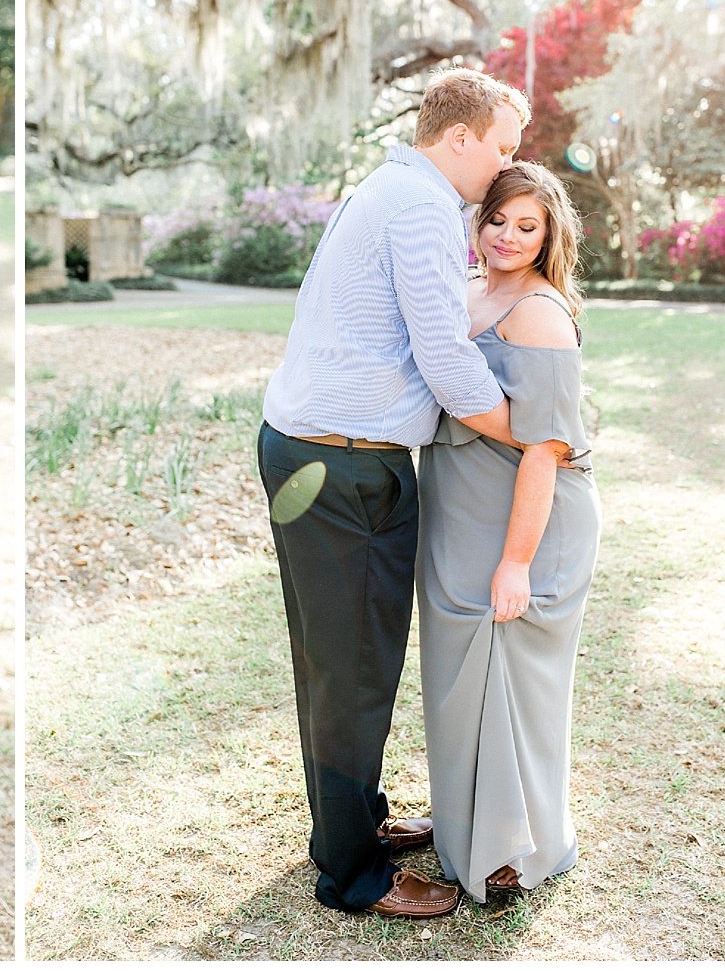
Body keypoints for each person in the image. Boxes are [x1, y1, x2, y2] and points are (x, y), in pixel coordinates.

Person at [256, 68, 532, 919]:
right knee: (355, 672)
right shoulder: (415, 205)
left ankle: (355, 824)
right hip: (342, 466)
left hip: (320, 453)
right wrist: (537, 437)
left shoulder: (395, 189)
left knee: (341, 663)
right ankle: (352, 876)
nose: (503, 167)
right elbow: (447, 359)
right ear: (460, 137)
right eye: (501, 148)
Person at [417, 161, 599, 903]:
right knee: (459, 681)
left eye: (528, 226)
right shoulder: (465, 293)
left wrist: (516, 562)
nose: (508, 237)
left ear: (550, 235)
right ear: (476, 219)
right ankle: (463, 825)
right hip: (460, 512)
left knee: (513, 681)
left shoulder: (540, 312)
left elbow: (547, 448)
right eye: (497, 219)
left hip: (530, 521)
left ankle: (513, 850)